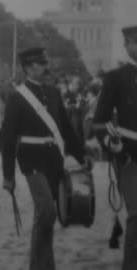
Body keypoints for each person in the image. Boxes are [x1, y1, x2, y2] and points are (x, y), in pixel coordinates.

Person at [1, 47, 92, 270]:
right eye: (38, 64)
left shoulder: (53, 93)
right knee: (47, 211)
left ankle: (43, 264)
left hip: (54, 160)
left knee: (46, 216)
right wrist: (8, 176)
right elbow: (8, 139)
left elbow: (68, 131)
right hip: (31, 161)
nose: (43, 67)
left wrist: (82, 156)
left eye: (43, 63)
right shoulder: (16, 98)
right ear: (27, 68)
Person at [93, 26, 137, 270]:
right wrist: (112, 143)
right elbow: (100, 121)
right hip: (130, 156)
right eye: (133, 42)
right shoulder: (116, 78)